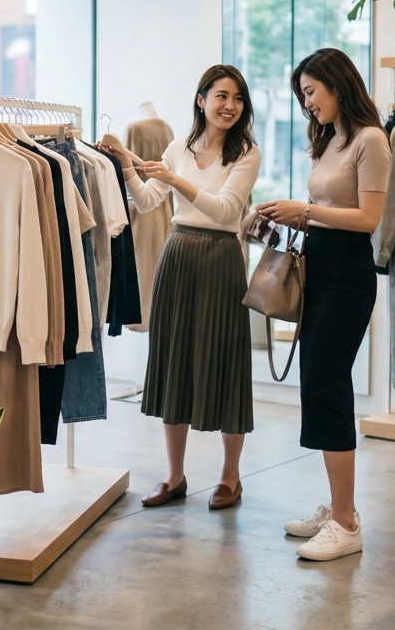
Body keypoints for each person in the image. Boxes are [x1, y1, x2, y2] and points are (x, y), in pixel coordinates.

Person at [100, 64, 261, 511]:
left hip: (221, 258)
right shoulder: (179, 147)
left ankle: (230, 478)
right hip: (178, 255)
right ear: (201, 99)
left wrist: (174, 179)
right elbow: (147, 200)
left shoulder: (247, 153)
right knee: (174, 361)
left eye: (238, 98)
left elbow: (225, 211)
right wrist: (125, 163)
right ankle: (175, 476)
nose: (230, 106)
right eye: (222, 96)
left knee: (227, 361)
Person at [255, 48, 390, 561]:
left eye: (311, 91)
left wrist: (306, 210)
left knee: (327, 385)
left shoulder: (371, 139)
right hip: (320, 266)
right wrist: (289, 216)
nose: (307, 102)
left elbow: (368, 219)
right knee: (318, 383)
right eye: (303, 95)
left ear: (337, 84)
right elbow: (330, 210)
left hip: (348, 277)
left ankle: (347, 523)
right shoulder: (330, 139)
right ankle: (338, 508)